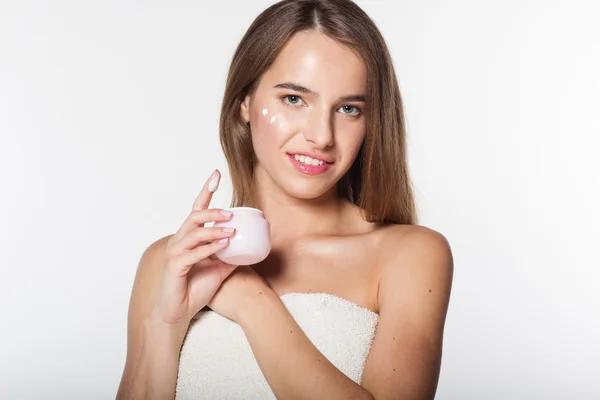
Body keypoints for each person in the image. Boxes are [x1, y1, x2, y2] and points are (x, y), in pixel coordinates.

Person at [117, 0, 453, 398]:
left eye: (348, 108)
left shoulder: (409, 256)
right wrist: (167, 324)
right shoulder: (173, 261)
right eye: (294, 99)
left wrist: (251, 301)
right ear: (245, 102)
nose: (322, 135)